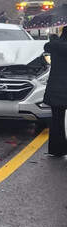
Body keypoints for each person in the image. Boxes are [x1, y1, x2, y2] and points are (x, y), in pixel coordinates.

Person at [43, 26, 67, 156]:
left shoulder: (55, 46)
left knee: (57, 120)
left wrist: (53, 38)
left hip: (56, 89)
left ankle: (57, 149)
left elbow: (46, 48)